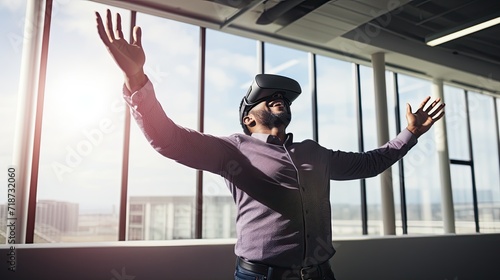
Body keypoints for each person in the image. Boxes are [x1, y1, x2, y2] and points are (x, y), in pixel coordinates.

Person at [95, 9, 445, 280]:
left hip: (321, 274)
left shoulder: (315, 153)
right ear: (248, 119)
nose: (279, 99)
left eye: (283, 98)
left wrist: (410, 134)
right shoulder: (233, 149)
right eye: (268, 98)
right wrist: (136, 78)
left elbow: (370, 163)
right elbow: (168, 140)